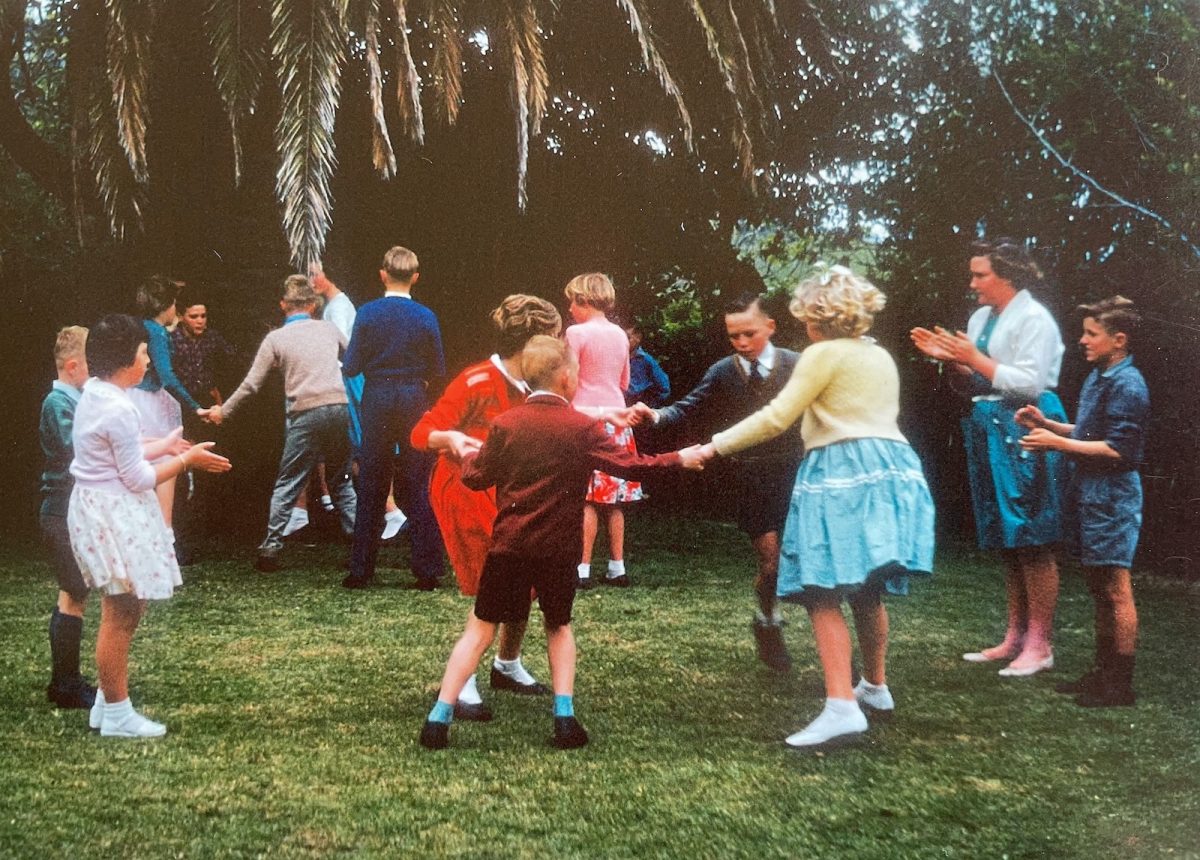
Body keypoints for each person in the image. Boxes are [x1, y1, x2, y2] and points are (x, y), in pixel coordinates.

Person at [418, 336, 706, 750]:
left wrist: (461, 450)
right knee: (559, 626)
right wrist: (678, 457)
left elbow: (476, 478)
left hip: (508, 547)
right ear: (569, 379)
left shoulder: (506, 424)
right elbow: (630, 465)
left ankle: (439, 716)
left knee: (481, 627)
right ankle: (565, 718)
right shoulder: (583, 428)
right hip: (557, 549)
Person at [696, 266, 935, 749]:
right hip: (892, 470)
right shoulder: (880, 355)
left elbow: (776, 417)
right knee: (868, 586)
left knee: (821, 588)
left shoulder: (821, 353)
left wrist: (711, 447)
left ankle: (842, 706)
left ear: (815, 317)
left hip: (840, 470)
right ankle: (876, 686)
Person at [911, 238, 1068, 677]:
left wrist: (974, 358)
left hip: (1026, 421)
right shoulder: (982, 316)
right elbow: (977, 382)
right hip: (988, 423)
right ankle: (1015, 636)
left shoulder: (1035, 318)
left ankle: (1040, 644)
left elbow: (1031, 383)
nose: (973, 283)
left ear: (1007, 276)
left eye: (981, 275)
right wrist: (952, 363)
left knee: (1031, 530)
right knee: (1005, 532)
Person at [68, 314, 230, 738]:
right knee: (120, 612)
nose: (148, 360)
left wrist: (164, 445)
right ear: (128, 362)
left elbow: (116, 449)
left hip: (103, 507)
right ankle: (118, 712)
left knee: (129, 605)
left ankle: (107, 702)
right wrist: (185, 460)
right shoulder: (118, 404)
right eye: (143, 353)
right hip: (111, 511)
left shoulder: (97, 393)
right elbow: (137, 477)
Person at [631, 293, 803, 672]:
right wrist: (655, 416)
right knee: (771, 559)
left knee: (803, 563)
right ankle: (769, 620)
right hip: (750, 478)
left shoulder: (798, 365)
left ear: (770, 327)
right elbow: (687, 406)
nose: (741, 343)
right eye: (733, 336)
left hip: (795, 473)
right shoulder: (724, 371)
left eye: (749, 334)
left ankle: (808, 633)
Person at [410, 295, 563, 719]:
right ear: (534, 341)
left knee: (526, 575)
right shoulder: (476, 379)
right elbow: (422, 432)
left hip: (512, 490)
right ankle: (463, 683)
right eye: (555, 337)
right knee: (491, 582)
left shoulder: (539, 384)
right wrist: (453, 440)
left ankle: (507, 663)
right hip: (466, 489)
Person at [1018, 296, 1149, 707]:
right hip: (1090, 494)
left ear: (1119, 339)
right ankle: (1103, 673)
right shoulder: (1100, 377)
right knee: (1098, 587)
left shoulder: (1128, 385)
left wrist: (1056, 443)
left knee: (1115, 588)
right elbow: (1090, 430)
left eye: (1092, 334)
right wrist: (1049, 424)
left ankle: (1120, 685)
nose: (1083, 340)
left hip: (1112, 498)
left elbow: (1120, 451)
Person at [204, 276, 357, 572]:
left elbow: (250, 385)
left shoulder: (275, 339)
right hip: (340, 408)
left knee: (288, 481)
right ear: (313, 305)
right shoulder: (328, 328)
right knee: (341, 480)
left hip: (305, 412)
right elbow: (352, 361)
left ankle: (271, 548)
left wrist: (224, 411)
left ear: (283, 305)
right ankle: (362, 542)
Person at [341, 246, 445, 590]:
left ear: (382, 274)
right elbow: (438, 367)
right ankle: (427, 568)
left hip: (379, 396)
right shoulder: (426, 316)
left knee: (372, 479)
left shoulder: (368, 314)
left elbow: (352, 365)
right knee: (418, 480)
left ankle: (361, 569)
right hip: (413, 395)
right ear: (415, 277)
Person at [310, 265, 407, 541]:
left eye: (314, 275)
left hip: (350, 381)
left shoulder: (340, 307)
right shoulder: (333, 306)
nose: (311, 282)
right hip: (346, 380)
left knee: (364, 444)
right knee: (356, 448)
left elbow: (342, 348)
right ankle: (382, 512)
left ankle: (389, 510)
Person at [564, 273, 639, 588]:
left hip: (585, 418)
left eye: (572, 301)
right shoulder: (621, 335)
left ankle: (582, 568)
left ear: (584, 300)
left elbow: (569, 380)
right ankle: (617, 566)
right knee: (614, 498)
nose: (569, 308)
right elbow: (624, 382)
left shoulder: (575, 333)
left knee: (588, 498)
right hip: (617, 418)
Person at [128, 276, 213, 540]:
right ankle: (165, 531)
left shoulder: (141, 327)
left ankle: (148, 529)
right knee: (166, 458)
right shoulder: (157, 332)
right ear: (165, 305)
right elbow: (166, 375)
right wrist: (195, 407)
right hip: (151, 400)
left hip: (134, 396)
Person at [40, 326, 95, 709]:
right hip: (60, 510)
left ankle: (66, 680)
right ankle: (65, 685)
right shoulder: (57, 404)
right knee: (74, 594)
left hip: (70, 510)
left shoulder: (74, 400)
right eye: (91, 368)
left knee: (74, 593)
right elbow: (77, 449)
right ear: (73, 366)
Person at [170, 291, 237, 544]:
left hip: (208, 405)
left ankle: (209, 528)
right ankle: (182, 534)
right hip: (182, 407)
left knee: (212, 464)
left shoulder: (212, 339)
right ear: (182, 317)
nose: (200, 321)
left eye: (203, 316)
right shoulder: (172, 340)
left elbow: (233, 358)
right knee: (184, 465)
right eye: (194, 316)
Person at [623, 321, 670, 408]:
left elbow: (664, 387)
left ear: (638, 338)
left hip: (637, 409)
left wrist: (649, 407)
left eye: (628, 337)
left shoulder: (646, 360)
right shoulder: (617, 358)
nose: (624, 341)